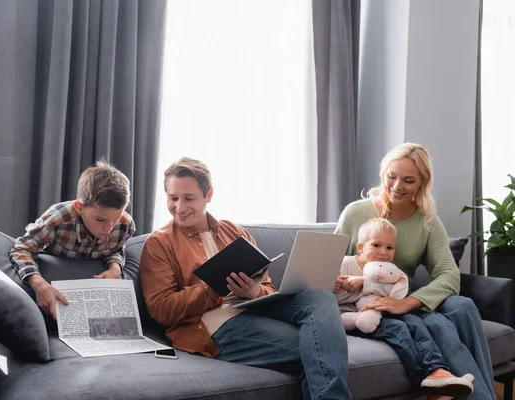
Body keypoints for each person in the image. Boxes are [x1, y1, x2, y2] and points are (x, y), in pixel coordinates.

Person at [140, 157, 352, 400]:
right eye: (172, 198)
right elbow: (161, 309)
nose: (179, 206)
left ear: (208, 194)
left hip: (255, 308)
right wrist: (212, 289)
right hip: (213, 325)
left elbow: (268, 287)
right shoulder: (159, 244)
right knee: (319, 351)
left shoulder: (235, 232)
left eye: (188, 198)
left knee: (320, 296)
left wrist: (253, 291)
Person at [335, 143, 496, 400]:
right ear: (383, 174)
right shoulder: (356, 213)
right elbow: (329, 265)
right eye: (392, 176)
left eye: (409, 180)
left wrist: (408, 302)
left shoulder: (427, 220)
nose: (398, 186)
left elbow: (449, 275)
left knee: (463, 305)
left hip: (403, 298)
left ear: (422, 182)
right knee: (439, 324)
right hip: (368, 305)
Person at [335, 217, 474, 399]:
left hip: (382, 312)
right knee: (398, 329)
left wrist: (364, 282)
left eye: (389, 248)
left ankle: (438, 369)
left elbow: (397, 292)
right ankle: (426, 381)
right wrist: (343, 285)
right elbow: (332, 295)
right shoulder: (346, 263)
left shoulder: (386, 270)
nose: (383, 252)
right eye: (376, 245)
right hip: (355, 319)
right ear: (361, 247)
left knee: (414, 321)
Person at [10, 159, 136, 319]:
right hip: (53, 286)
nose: (109, 228)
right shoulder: (57, 219)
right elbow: (22, 248)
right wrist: (39, 284)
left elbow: (116, 248)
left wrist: (115, 269)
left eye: (115, 219)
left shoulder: (125, 225)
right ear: (79, 207)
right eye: (100, 219)